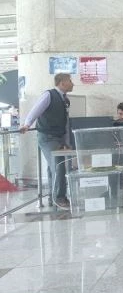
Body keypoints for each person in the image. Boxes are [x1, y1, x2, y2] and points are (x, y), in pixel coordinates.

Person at [20, 73, 74, 209]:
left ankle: (53, 197)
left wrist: (67, 142)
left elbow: (65, 123)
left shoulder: (65, 99)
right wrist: (27, 124)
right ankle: (60, 198)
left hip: (58, 138)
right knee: (58, 166)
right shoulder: (49, 95)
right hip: (48, 137)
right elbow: (35, 110)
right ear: (62, 83)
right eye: (70, 81)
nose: (72, 83)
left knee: (54, 167)